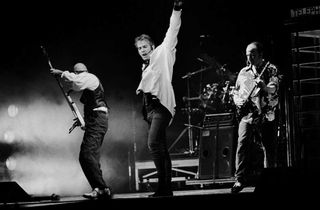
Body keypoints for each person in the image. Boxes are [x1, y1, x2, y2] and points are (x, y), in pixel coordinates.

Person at [134, 0, 183, 197]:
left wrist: (176, 9)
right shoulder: (145, 66)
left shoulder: (163, 53)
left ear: (152, 46)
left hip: (161, 106)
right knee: (160, 146)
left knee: (153, 144)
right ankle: (166, 188)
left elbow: (172, 30)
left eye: (145, 46)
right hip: (150, 109)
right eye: (139, 48)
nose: (142, 50)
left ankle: (164, 186)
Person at [50, 62, 112, 199]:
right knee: (90, 156)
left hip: (97, 120)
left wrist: (61, 73)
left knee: (87, 154)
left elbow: (75, 80)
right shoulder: (88, 84)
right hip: (95, 120)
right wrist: (82, 120)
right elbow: (89, 103)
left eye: (77, 74)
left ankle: (102, 188)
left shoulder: (91, 78)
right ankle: (100, 188)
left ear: (80, 72)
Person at [231, 42, 281, 193]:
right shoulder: (243, 72)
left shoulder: (270, 68)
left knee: (268, 146)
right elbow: (236, 91)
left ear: (260, 54)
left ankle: (270, 178)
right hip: (248, 113)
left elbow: (274, 87)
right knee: (242, 143)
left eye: (252, 53)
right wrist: (237, 100)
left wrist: (265, 87)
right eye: (247, 54)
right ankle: (239, 179)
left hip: (266, 112)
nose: (249, 57)